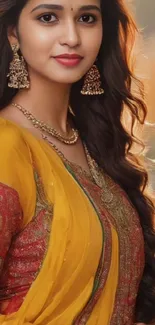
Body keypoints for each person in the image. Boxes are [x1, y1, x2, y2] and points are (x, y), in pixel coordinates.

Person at [0, 0, 154, 324]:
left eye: (86, 18)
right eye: (48, 17)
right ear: (14, 33)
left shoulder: (97, 145)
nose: (72, 37)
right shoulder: (7, 147)